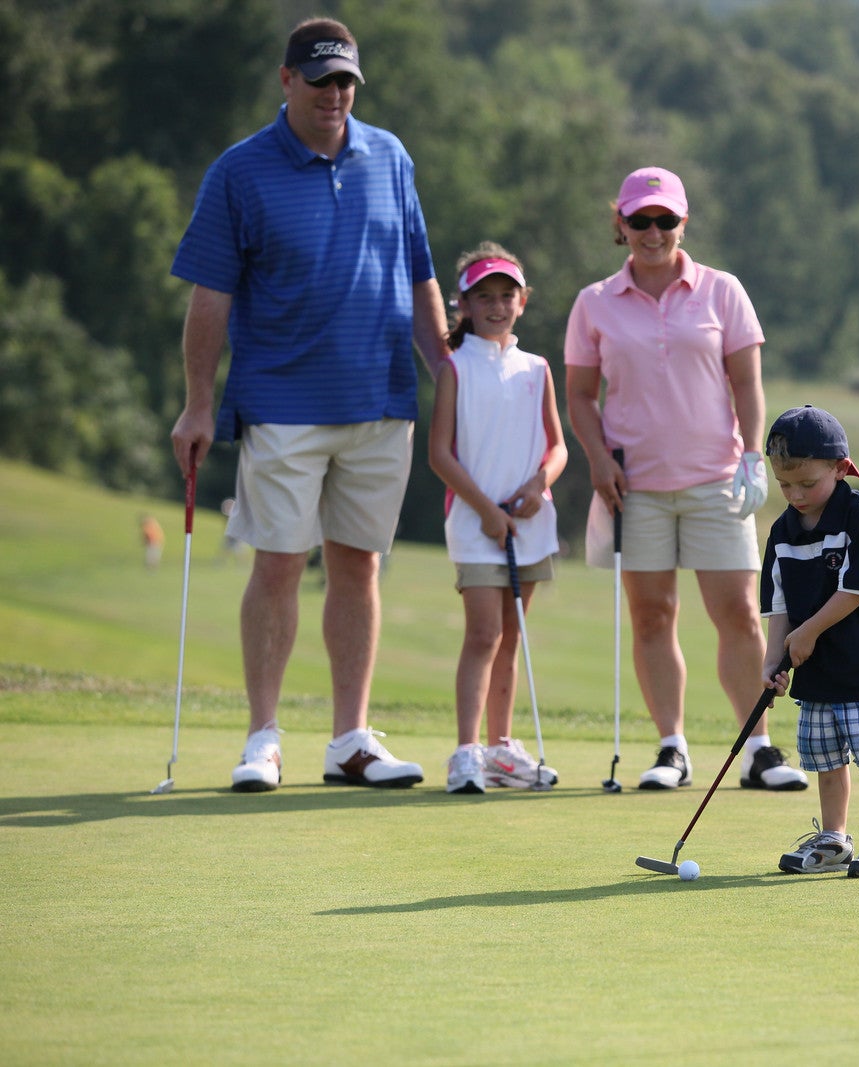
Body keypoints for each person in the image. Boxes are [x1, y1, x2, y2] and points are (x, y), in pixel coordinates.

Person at [168, 17, 450, 793]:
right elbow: (210, 295)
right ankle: (263, 738)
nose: (335, 94)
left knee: (359, 568)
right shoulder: (240, 171)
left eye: (346, 81)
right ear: (286, 80)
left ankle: (350, 739)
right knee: (280, 564)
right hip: (283, 402)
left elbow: (419, 270)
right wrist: (198, 404)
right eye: (320, 80)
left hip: (380, 398)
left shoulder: (390, 156)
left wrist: (444, 369)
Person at [564, 166, 806, 792]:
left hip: (717, 480)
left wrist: (754, 455)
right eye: (640, 220)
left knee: (739, 617)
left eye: (664, 219)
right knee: (652, 616)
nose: (653, 231)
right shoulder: (595, 302)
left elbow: (746, 383)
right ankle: (671, 748)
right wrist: (595, 457)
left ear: (682, 223)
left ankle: (757, 748)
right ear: (620, 224)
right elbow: (582, 397)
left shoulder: (722, 291)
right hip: (635, 485)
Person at [428, 243, 567, 794]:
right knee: (483, 634)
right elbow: (440, 453)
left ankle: (501, 748)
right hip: (475, 523)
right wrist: (486, 510)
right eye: (483, 296)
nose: (496, 305)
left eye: (506, 295)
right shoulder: (454, 368)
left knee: (511, 637)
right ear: (463, 303)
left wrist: (538, 485)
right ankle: (466, 752)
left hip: (529, 524)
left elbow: (557, 447)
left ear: (523, 301)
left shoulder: (536, 369)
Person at [759, 406, 859, 878]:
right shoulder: (782, 531)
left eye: (807, 484)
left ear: (840, 467)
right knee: (826, 756)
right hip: (819, 668)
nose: (795, 495)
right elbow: (779, 604)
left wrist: (806, 633)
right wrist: (772, 658)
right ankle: (834, 839)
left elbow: (858, 587)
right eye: (785, 485)